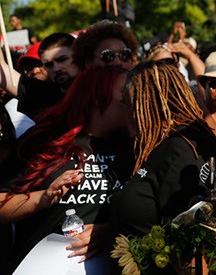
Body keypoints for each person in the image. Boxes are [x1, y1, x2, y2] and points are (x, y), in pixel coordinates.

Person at [0, 66, 133, 270]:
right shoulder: (44, 141)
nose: (133, 100)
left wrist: (107, 230)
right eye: (124, 93)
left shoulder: (136, 147)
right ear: (98, 97)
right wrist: (42, 198)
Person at [109, 61, 216, 238]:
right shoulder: (157, 143)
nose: (125, 113)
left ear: (147, 105)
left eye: (127, 103)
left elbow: (191, 240)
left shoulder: (182, 148)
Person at [71, 20, 139, 71]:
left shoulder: (141, 89)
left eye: (125, 55)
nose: (118, 62)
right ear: (89, 63)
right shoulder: (77, 90)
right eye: (108, 55)